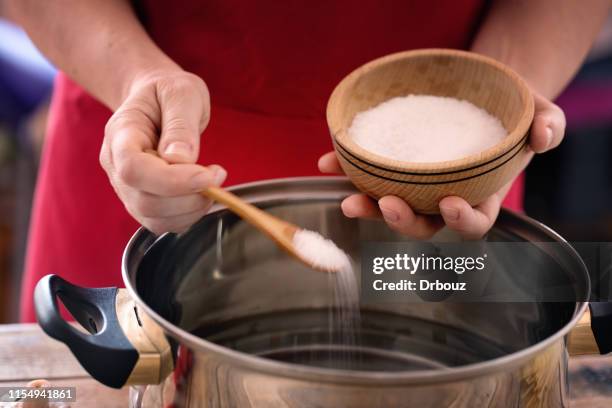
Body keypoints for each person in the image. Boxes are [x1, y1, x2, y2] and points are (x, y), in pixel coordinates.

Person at [8, 0, 609, 322]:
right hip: (153, 128)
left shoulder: (464, 149)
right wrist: (134, 78)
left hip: (451, 171)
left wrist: (500, 95)